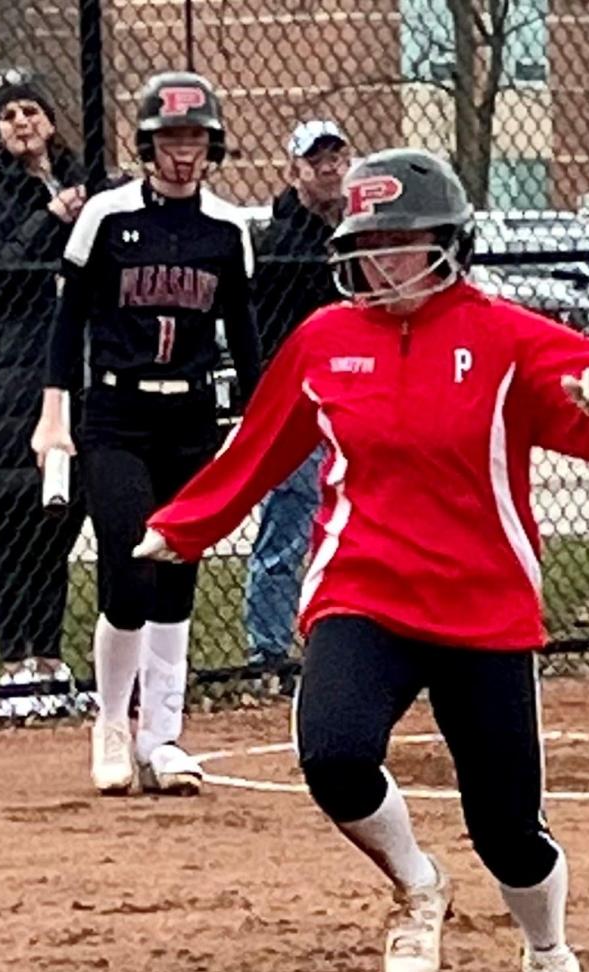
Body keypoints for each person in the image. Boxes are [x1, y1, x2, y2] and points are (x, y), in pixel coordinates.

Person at [132, 149, 589, 972]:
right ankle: (419, 887)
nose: (384, 264)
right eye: (370, 245)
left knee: (508, 827)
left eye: (404, 243)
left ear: (449, 244)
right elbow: (258, 449)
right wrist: (183, 526)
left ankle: (548, 954)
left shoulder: (506, 337)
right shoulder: (327, 340)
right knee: (334, 752)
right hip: (364, 589)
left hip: (483, 605)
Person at [31, 71, 260, 796]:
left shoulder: (226, 229)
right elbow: (68, 325)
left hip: (191, 418)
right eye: (169, 139)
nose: (182, 153)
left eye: (194, 138)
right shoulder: (107, 217)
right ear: (146, 145)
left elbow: (245, 339)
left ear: (212, 144)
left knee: (179, 574)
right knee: (129, 570)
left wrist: (256, 427)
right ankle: (112, 724)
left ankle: (163, 735)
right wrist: (53, 414)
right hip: (117, 416)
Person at [0, 66, 88, 720]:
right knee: (16, 526)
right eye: (9, 116)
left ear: (51, 121)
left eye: (31, 111)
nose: (22, 124)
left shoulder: (79, 184)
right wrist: (48, 219)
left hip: (78, 380)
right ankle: (16, 664)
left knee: (60, 524)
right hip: (14, 388)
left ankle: (51, 659)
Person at [244, 120, 352, 680]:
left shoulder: (356, 232)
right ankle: (268, 650)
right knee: (291, 522)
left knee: (348, 524)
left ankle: (336, 637)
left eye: (337, 157)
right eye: (317, 160)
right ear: (296, 171)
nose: (330, 168)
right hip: (300, 402)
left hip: (353, 399)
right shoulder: (281, 239)